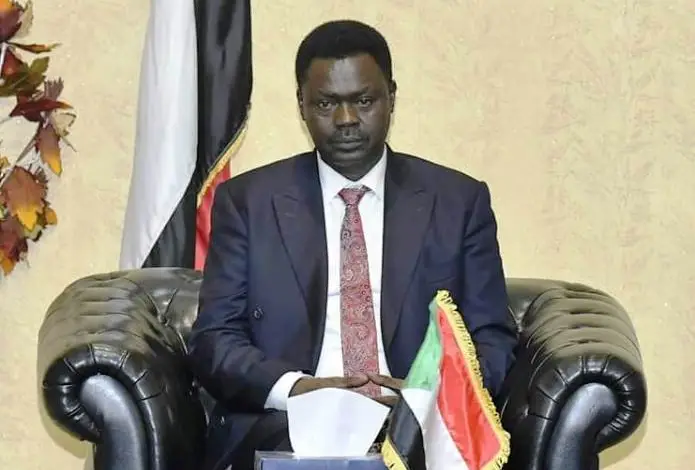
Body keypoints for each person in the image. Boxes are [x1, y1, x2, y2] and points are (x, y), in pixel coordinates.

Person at [187, 19, 518, 470]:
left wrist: (427, 397)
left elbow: (490, 337)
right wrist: (297, 389)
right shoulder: (248, 202)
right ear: (302, 105)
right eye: (326, 103)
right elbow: (215, 340)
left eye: (364, 101)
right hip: (287, 422)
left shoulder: (458, 202)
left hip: (418, 426)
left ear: (391, 98)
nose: (346, 120)